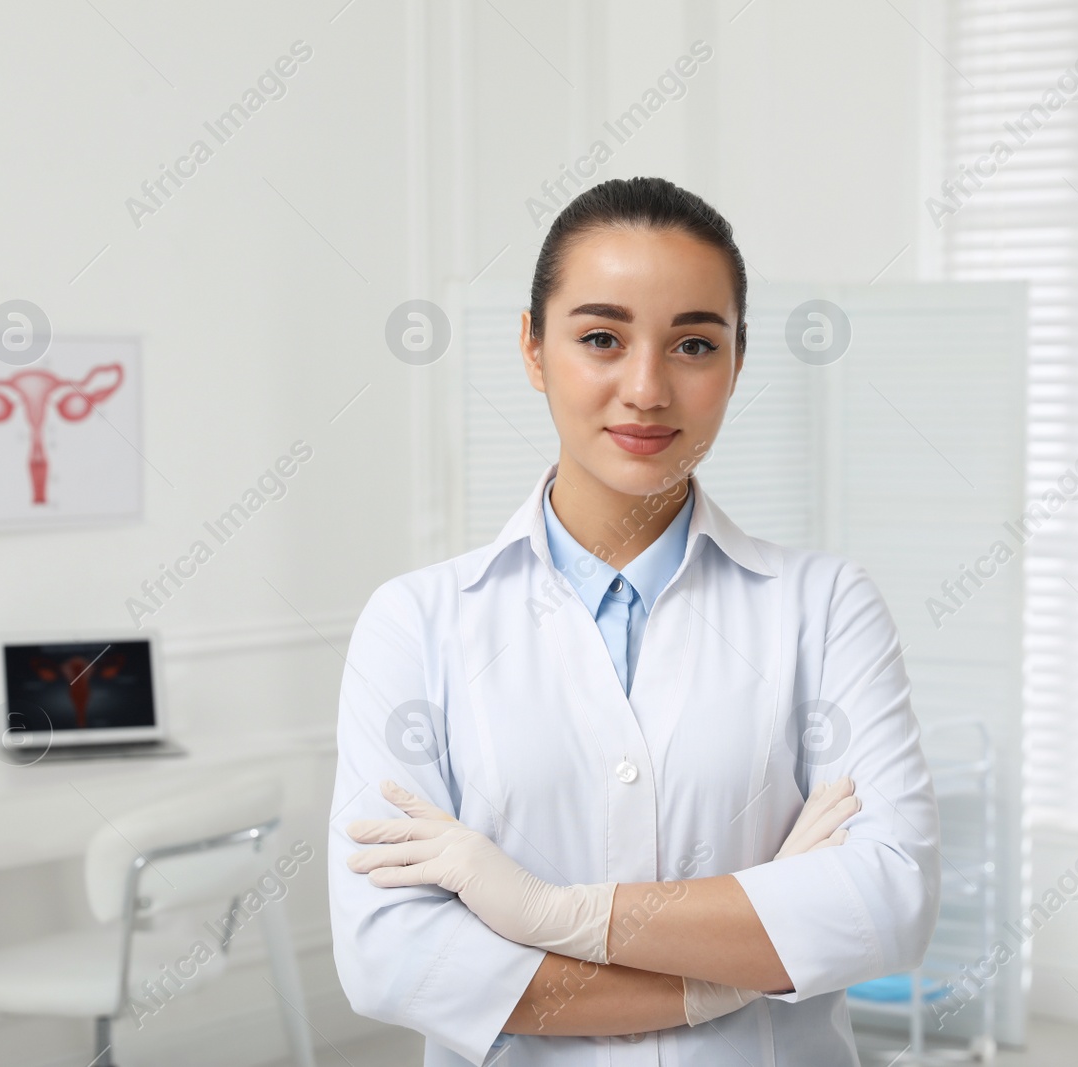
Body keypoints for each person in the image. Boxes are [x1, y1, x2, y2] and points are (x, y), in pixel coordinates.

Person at [328, 176, 939, 1066]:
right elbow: (395, 961)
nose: (647, 388)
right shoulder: (415, 623)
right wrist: (739, 959)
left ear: (736, 362)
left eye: (693, 342)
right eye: (602, 337)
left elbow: (888, 903)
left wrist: (543, 912)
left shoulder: (826, 606)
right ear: (533, 349)